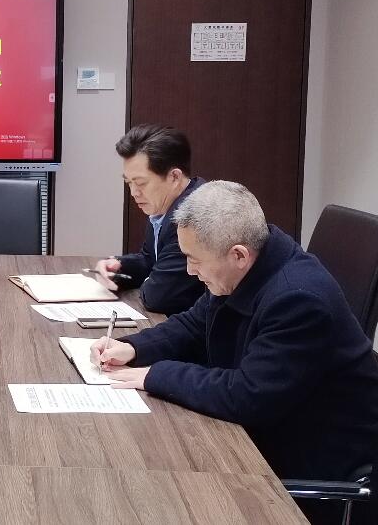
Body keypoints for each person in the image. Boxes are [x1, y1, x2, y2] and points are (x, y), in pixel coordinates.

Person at [90, 181, 378, 489]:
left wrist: (155, 375)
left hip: (306, 460)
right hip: (268, 430)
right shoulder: (250, 263)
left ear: (238, 255)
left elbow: (247, 395)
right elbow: (195, 324)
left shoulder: (298, 300)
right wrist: (133, 347)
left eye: (194, 259)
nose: (189, 270)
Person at [93, 124, 205, 315]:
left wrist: (150, 278)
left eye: (141, 183)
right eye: (129, 183)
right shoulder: (165, 206)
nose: (134, 193)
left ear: (174, 177)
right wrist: (117, 266)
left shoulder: (193, 216)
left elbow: (159, 297)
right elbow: (149, 259)